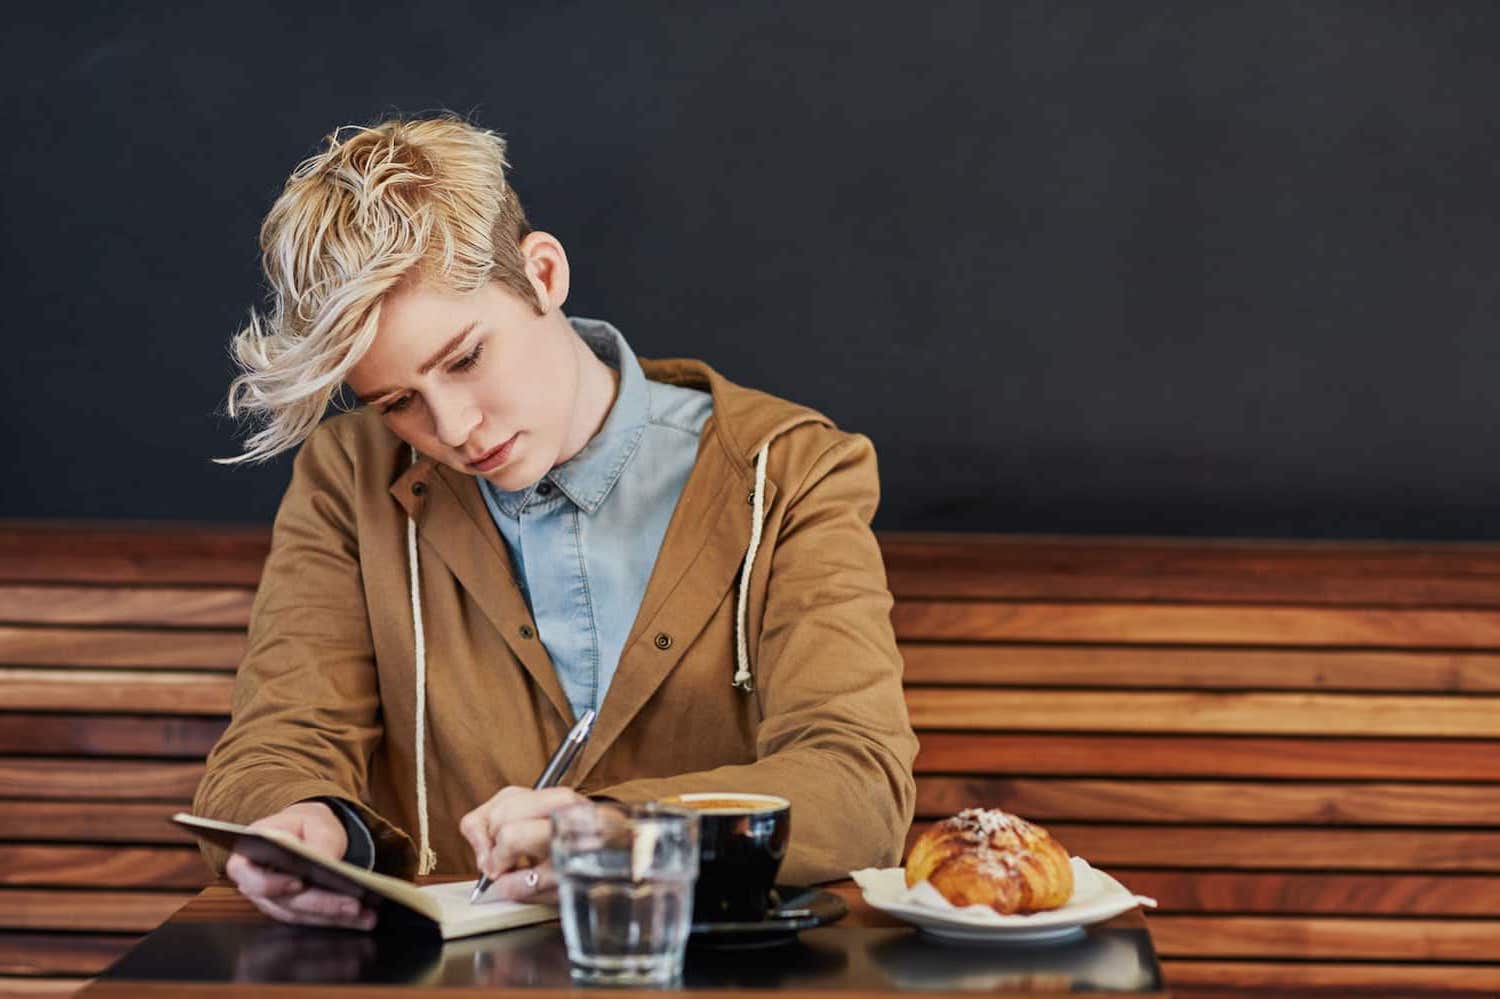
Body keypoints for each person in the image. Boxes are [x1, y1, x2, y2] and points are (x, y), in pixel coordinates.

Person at [193, 113, 918, 931]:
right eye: (399, 402)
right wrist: (302, 821)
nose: (456, 427)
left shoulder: (787, 472)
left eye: (465, 358)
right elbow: (276, 743)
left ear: (542, 274)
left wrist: (612, 830)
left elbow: (859, 788)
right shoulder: (350, 475)